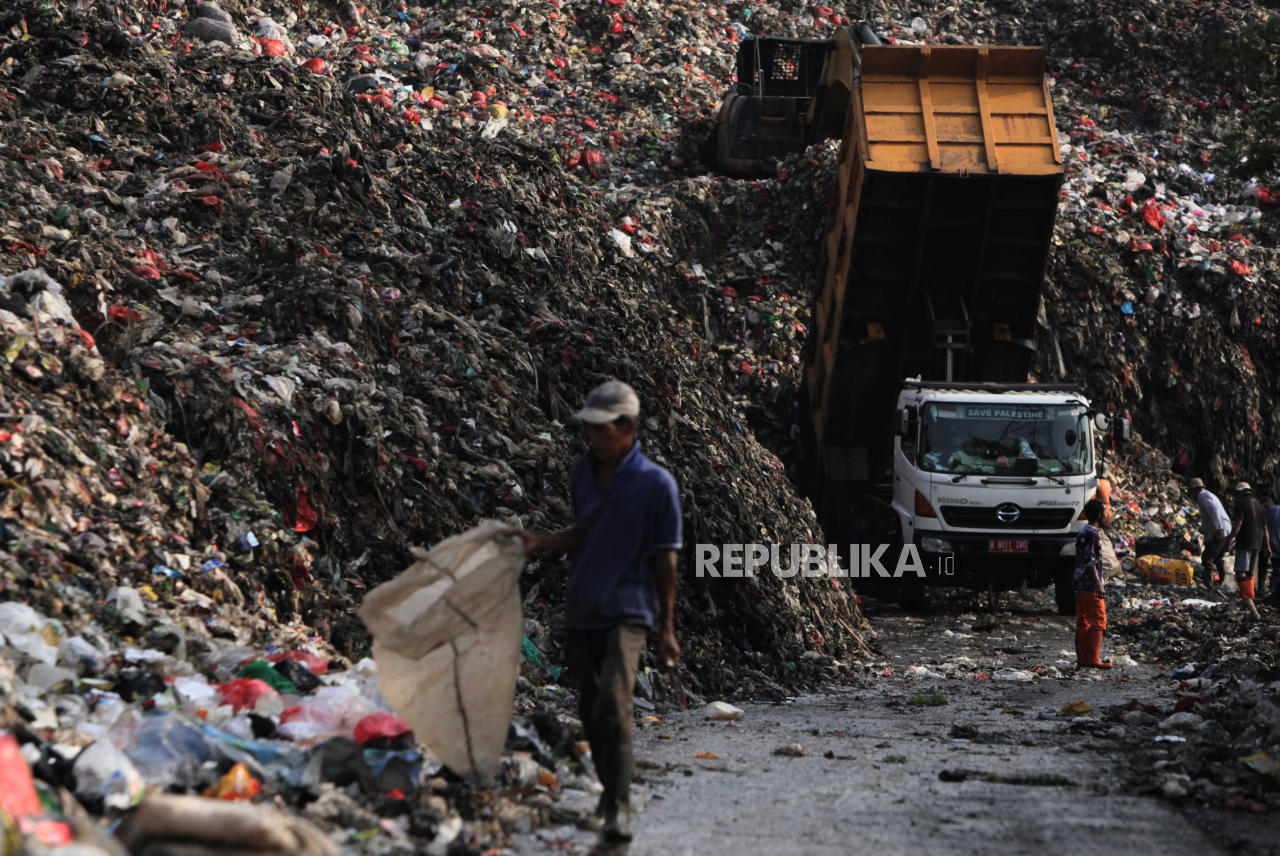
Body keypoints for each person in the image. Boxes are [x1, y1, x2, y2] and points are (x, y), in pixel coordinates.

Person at [514, 381, 681, 843]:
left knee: (614, 700)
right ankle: (608, 796)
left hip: (630, 609)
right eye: (588, 429)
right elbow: (584, 532)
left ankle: (620, 809)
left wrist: (666, 627)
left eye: (600, 429)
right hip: (584, 604)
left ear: (627, 426)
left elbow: (667, 557)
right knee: (590, 708)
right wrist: (541, 542)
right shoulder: (583, 474)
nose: (592, 438)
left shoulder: (656, 485)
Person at [1073, 499, 1111, 669]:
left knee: (1083, 621)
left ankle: (1083, 658)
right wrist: (1098, 583)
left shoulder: (1083, 530)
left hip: (1080, 583)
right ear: (1098, 515)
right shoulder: (1092, 533)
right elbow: (1090, 560)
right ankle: (1092, 659)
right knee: (1098, 620)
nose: (1106, 515)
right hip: (1089, 584)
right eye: (1104, 512)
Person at [1229, 482, 1267, 618]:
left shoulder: (1241, 503)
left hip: (1244, 541)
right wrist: (1267, 546)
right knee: (1250, 571)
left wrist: (1229, 538)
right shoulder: (1259, 505)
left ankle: (1246, 598)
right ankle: (1250, 597)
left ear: (1240, 492)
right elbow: (1265, 529)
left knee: (1240, 570)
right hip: (1258, 542)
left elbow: (1238, 524)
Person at [1189, 478, 1231, 587]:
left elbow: (1213, 510)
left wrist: (1218, 529)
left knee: (1207, 558)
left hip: (1220, 530)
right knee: (1218, 558)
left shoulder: (1202, 495)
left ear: (1196, 489)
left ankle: (1208, 584)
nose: (1192, 494)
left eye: (1192, 491)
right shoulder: (1209, 495)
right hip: (1226, 528)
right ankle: (1224, 582)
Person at [1264, 496, 1280, 600]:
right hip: (1276, 543)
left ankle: (1271, 591)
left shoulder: (1271, 510)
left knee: (1275, 570)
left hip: (1269, 543)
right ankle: (1274, 592)